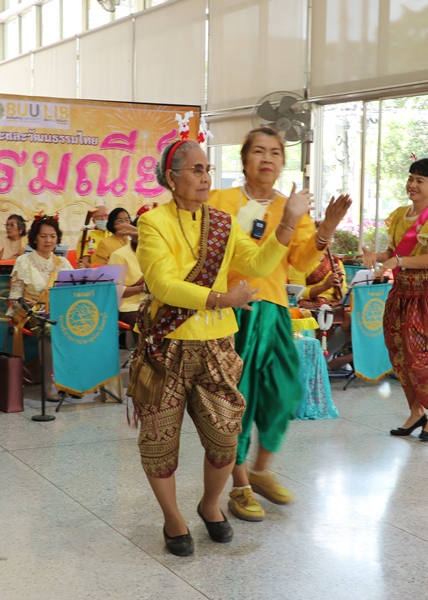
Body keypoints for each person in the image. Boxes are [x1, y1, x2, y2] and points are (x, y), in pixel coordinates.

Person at [131, 139, 311, 557]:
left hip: (216, 347)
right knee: (159, 441)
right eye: (196, 170)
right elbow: (162, 284)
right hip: (166, 347)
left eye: (208, 169)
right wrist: (219, 299)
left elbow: (259, 264)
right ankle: (173, 519)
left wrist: (288, 221)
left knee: (226, 438)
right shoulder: (153, 222)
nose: (205, 177)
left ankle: (210, 504)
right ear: (171, 177)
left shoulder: (222, 223)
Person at [208, 127, 351, 522]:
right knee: (236, 399)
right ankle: (239, 485)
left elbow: (302, 262)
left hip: (271, 310)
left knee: (285, 391)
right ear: (244, 160)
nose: (267, 158)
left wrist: (326, 228)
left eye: (274, 152)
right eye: (258, 151)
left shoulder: (292, 207)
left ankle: (260, 470)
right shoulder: (220, 201)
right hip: (230, 311)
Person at [363, 157, 428, 441]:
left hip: (426, 293)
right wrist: (377, 256)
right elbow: (393, 252)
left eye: (420, 181)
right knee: (399, 353)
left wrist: (398, 261)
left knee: (419, 356)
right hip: (401, 291)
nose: (412, 185)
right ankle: (416, 412)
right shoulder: (400, 215)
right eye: (411, 179)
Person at [7, 212, 73, 401]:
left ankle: (72, 381)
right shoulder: (24, 261)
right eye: (43, 236)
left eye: (52, 236)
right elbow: (14, 296)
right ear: (35, 238)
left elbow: (73, 291)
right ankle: (50, 384)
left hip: (58, 310)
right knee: (49, 329)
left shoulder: (63, 263)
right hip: (30, 311)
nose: (48, 240)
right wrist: (24, 301)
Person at [107, 215, 146, 348]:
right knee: (145, 320)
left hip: (154, 303)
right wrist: (141, 288)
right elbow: (114, 291)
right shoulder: (119, 255)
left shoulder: (157, 254)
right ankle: (145, 355)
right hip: (129, 306)